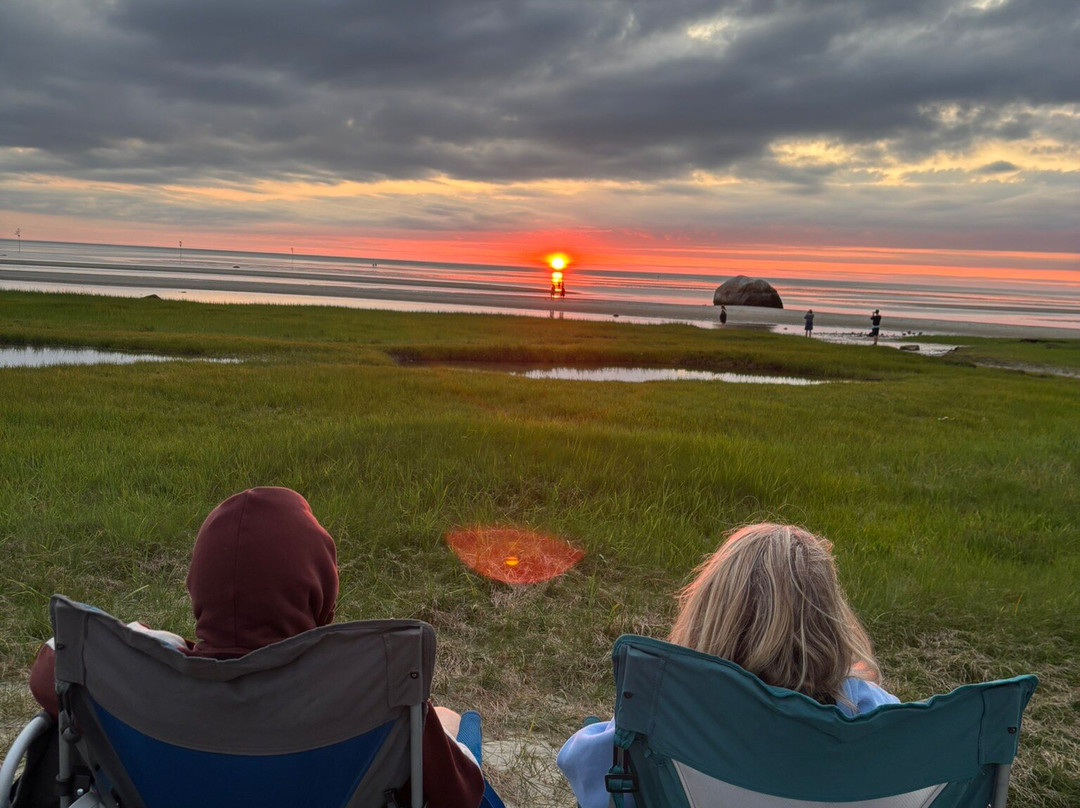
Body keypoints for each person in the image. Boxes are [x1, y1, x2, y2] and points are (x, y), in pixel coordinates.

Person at [23, 487, 484, 808]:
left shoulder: (144, 680)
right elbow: (459, 797)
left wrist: (152, 639)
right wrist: (443, 729)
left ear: (197, 585)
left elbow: (47, 675)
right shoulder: (367, 692)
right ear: (319, 593)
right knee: (457, 724)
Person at [557, 523, 898, 808]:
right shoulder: (870, 713)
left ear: (710, 613)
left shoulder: (668, 712)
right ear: (829, 619)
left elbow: (581, 766)